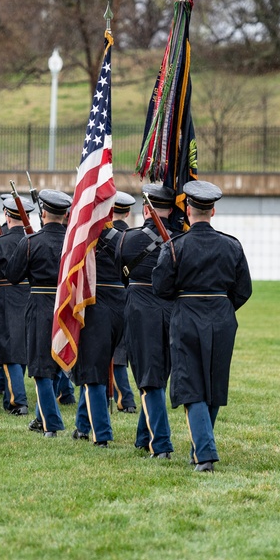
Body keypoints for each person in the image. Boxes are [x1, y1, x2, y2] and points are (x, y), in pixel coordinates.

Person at [153, 180, 252, 473]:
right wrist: (221, 309)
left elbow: (161, 287)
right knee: (213, 381)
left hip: (187, 317)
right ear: (213, 211)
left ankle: (206, 453)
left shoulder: (175, 246)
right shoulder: (232, 245)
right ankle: (201, 446)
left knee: (191, 384)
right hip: (221, 317)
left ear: (187, 210)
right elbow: (243, 289)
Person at [116, 184, 177, 459]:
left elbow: (121, 273)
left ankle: (161, 443)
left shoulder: (128, 239)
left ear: (146, 208)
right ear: (172, 209)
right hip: (172, 310)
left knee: (149, 377)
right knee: (156, 374)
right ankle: (143, 437)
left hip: (141, 308)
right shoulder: (179, 240)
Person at [6, 189, 73, 438]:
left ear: (43, 213)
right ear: (66, 215)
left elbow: (13, 275)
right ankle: (40, 416)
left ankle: (51, 423)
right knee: (55, 364)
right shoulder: (72, 241)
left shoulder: (31, 242)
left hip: (39, 305)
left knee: (40, 367)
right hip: (65, 306)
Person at [70, 196, 129, 448]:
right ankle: (83, 425)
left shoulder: (84, 239)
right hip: (121, 308)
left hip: (96, 307)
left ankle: (101, 434)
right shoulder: (124, 238)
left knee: (93, 371)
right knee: (93, 365)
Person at [0, 195, 34, 415]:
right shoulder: (32, 239)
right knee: (20, 346)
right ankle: (12, 394)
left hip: (7, 296)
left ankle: (17, 400)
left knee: (10, 349)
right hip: (30, 296)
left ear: (7, 217)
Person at [108, 191, 136, 413]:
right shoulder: (133, 237)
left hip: (108, 297)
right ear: (127, 213)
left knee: (117, 354)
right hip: (131, 296)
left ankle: (125, 398)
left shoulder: (102, 235)